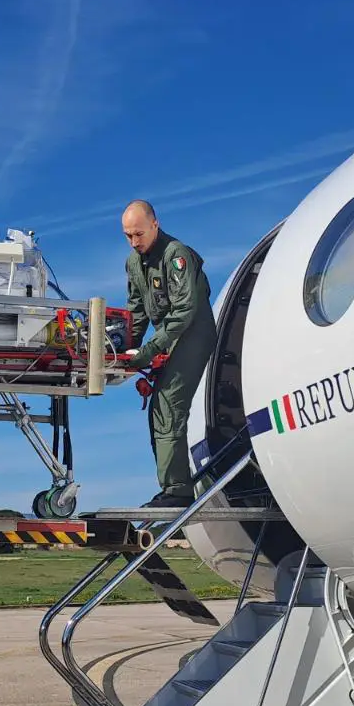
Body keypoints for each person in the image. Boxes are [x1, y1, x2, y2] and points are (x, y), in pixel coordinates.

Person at [120, 200, 217, 509]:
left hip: (193, 335)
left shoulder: (176, 255)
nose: (134, 242)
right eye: (128, 235)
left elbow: (184, 311)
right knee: (158, 410)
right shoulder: (134, 263)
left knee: (168, 405)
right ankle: (171, 487)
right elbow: (136, 312)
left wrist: (149, 349)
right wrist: (122, 350)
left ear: (155, 225)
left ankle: (177, 492)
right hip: (169, 338)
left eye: (139, 234)